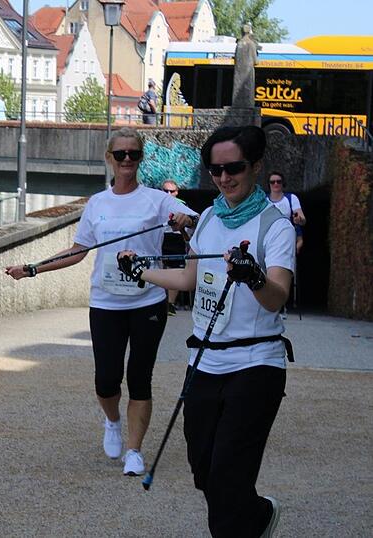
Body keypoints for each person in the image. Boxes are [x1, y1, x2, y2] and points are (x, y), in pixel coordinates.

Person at [117, 125, 294, 537]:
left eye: (234, 167)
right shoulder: (211, 218)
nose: (224, 177)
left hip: (256, 365)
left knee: (228, 477)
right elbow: (191, 278)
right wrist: (143, 271)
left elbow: (277, 296)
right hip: (205, 363)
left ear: (256, 167)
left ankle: (241, 522)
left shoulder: (275, 227)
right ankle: (259, 515)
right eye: (215, 170)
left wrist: (253, 277)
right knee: (204, 471)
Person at [4, 127, 196, 477]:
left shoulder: (157, 199)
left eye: (133, 154)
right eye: (120, 154)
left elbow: (193, 219)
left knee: (140, 378)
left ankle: (134, 451)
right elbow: (79, 251)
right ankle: (112, 421)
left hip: (147, 301)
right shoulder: (97, 203)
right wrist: (34, 269)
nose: (126, 160)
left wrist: (184, 220)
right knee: (106, 380)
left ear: (140, 158)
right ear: (109, 158)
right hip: (107, 303)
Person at [160, 180, 190, 315]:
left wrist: (184, 233)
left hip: (176, 238)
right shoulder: (155, 204)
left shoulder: (182, 205)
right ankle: (159, 301)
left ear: (176, 192)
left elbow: (190, 227)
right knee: (158, 269)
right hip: (159, 237)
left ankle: (170, 304)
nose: (168, 194)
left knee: (177, 269)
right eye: (165, 191)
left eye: (171, 191)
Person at [267, 171, 305, 255]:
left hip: (287, 240)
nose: (275, 184)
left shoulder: (291, 198)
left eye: (279, 181)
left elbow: (302, 220)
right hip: (268, 240)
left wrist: (298, 219)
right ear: (269, 184)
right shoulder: (263, 201)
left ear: (283, 183)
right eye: (272, 182)